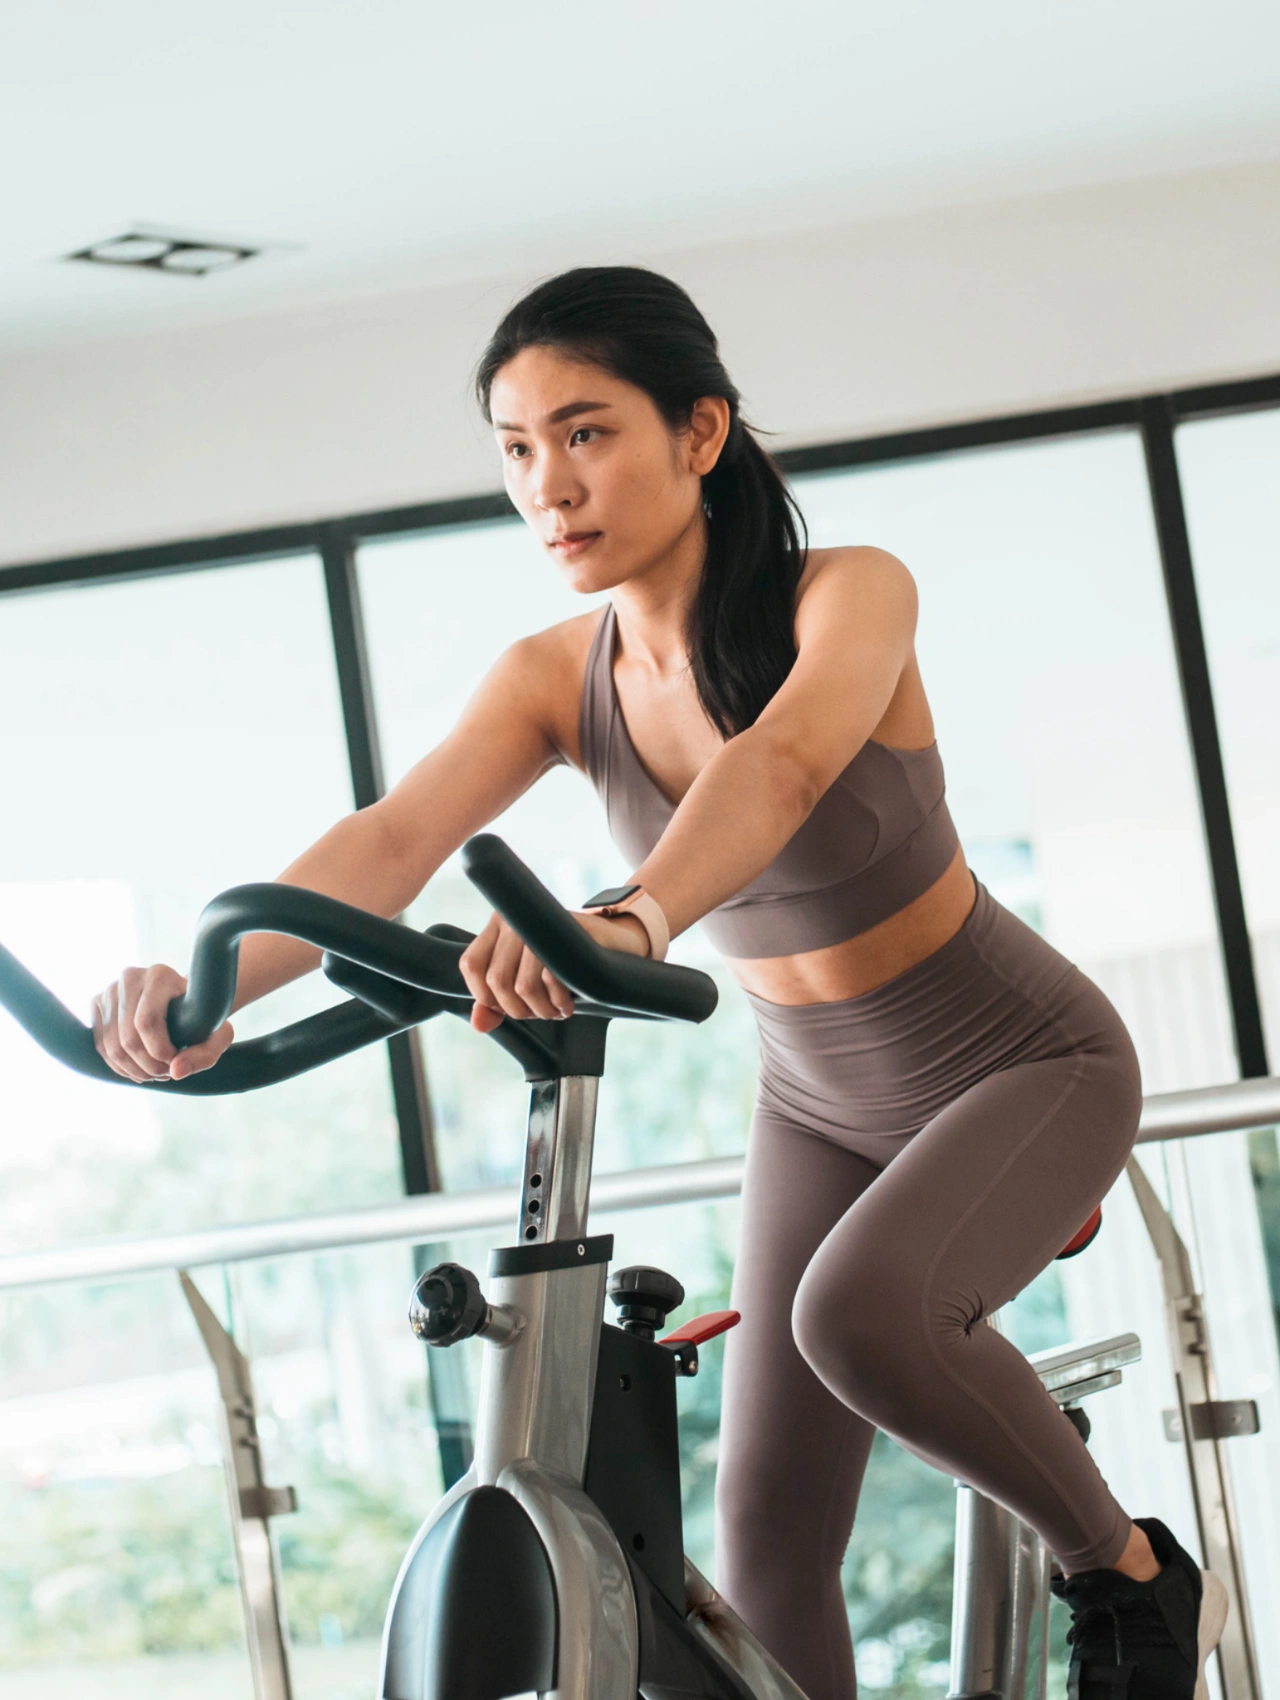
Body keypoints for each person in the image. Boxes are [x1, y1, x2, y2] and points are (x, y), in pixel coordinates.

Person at [93, 266, 1226, 1700]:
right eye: (515, 451)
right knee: (759, 1531)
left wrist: (636, 915)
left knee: (857, 1320)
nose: (547, 487)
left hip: (1022, 1060)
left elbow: (784, 761)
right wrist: (201, 997)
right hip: (816, 1099)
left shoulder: (849, 593)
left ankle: (1124, 1572)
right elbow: (386, 845)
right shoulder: (547, 677)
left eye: (585, 433)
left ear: (700, 433)